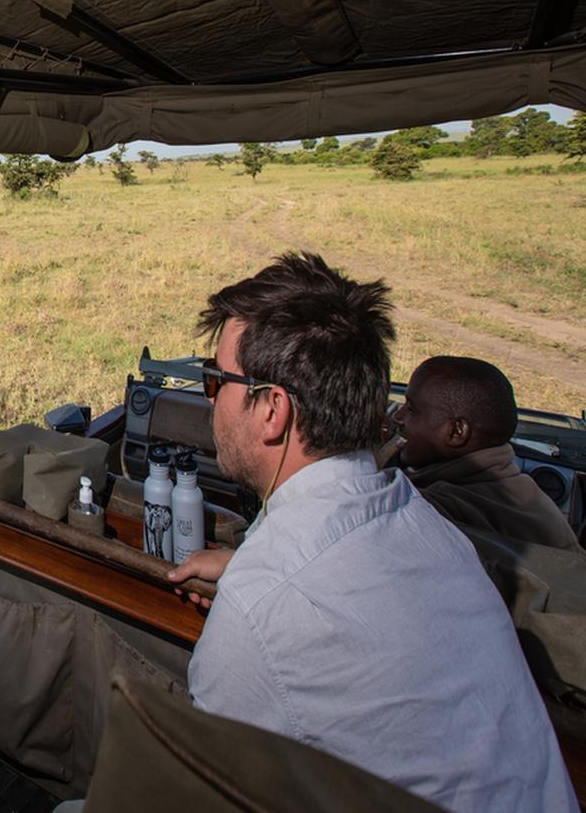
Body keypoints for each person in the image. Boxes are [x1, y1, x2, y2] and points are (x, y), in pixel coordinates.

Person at [166, 252, 575, 812]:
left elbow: (199, 793)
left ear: (272, 412)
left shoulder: (260, 609)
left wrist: (255, 585)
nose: (209, 399)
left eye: (217, 382)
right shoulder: (419, 518)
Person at [395, 355, 582, 551]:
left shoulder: (443, 508)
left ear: (457, 432)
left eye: (411, 410)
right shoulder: (526, 494)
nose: (397, 417)